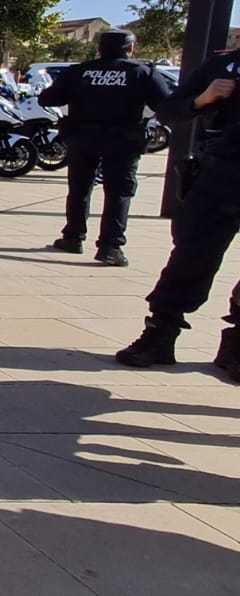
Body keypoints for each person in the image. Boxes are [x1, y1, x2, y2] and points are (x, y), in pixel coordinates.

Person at [116, 45, 240, 380]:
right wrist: (202, 100)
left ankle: (236, 345)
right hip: (221, 177)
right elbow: (170, 110)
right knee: (190, 257)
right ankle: (160, 335)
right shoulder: (224, 65)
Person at [38, 29, 171, 267]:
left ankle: (73, 237)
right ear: (129, 48)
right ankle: (110, 247)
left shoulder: (79, 71)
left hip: (82, 137)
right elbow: (166, 105)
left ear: (99, 49)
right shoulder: (142, 73)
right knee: (119, 192)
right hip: (123, 140)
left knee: (79, 188)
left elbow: (48, 99)